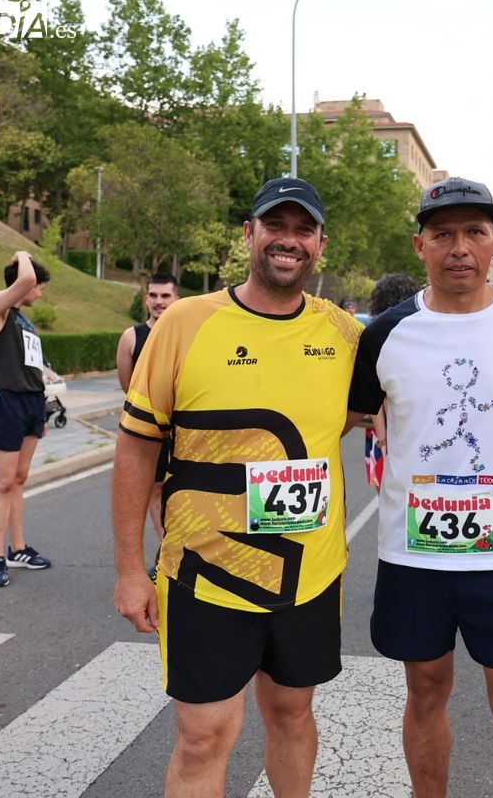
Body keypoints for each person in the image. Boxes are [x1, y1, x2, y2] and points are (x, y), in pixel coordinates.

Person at [112, 177, 362, 797]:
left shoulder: (343, 335)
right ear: (248, 234)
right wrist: (128, 570)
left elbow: (376, 414)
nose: (288, 240)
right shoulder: (186, 323)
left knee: (292, 714)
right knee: (203, 737)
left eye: (302, 229)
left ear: (320, 244)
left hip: (308, 572)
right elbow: (136, 446)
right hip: (204, 573)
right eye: (274, 226)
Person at [348, 176, 493, 798]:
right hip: (412, 555)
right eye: (443, 234)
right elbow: (338, 424)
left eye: (474, 233)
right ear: (420, 245)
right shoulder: (386, 333)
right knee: (424, 690)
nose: (460, 248)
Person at [0, 251, 53, 588]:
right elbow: (23, 280)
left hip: (31, 402)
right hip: (5, 400)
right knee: (4, 481)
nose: (40, 292)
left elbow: (32, 364)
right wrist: (23, 254)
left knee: (20, 478)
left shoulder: (23, 320)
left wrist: (44, 408)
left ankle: (18, 549)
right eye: (39, 287)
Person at [115, 273, 180, 542]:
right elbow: (128, 386)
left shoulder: (187, 336)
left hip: (184, 430)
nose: (158, 301)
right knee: (155, 490)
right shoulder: (131, 337)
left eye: (165, 295)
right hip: (150, 431)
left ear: (177, 299)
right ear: (146, 299)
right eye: (153, 295)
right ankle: (166, 548)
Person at [360, 272, 421, 489]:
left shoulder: (377, 335)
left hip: (380, 434)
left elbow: (376, 397)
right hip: (411, 431)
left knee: (386, 498)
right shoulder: (416, 338)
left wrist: (383, 440)